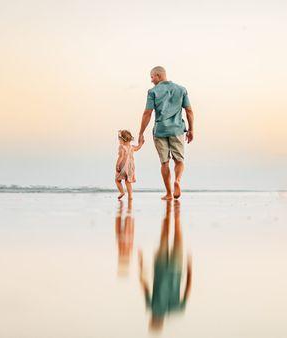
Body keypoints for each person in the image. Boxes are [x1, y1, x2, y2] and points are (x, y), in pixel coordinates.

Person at [138, 66, 195, 200]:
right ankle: (178, 181)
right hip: (177, 129)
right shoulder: (181, 89)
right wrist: (191, 129)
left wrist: (141, 132)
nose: (151, 81)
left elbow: (147, 113)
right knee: (179, 160)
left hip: (160, 130)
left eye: (152, 77)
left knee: (164, 163)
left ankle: (169, 193)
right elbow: (189, 111)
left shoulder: (152, 92)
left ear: (158, 75)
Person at [138, 200, 193, 332]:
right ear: (153, 320)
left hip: (177, 269)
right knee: (164, 235)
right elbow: (144, 285)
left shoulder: (177, 309)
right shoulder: (151, 307)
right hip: (160, 267)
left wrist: (190, 269)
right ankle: (170, 209)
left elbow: (187, 289)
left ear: (161, 322)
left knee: (178, 234)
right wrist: (141, 264)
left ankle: (174, 212)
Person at [115, 129, 142, 200]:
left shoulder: (122, 147)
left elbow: (121, 157)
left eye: (119, 139)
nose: (119, 141)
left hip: (123, 166)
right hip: (130, 167)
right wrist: (141, 143)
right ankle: (130, 196)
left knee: (117, 180)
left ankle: (122, 192)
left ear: (122, 140)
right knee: (128, 182)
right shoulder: (132, 147)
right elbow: (138, 148)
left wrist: (117, 165)